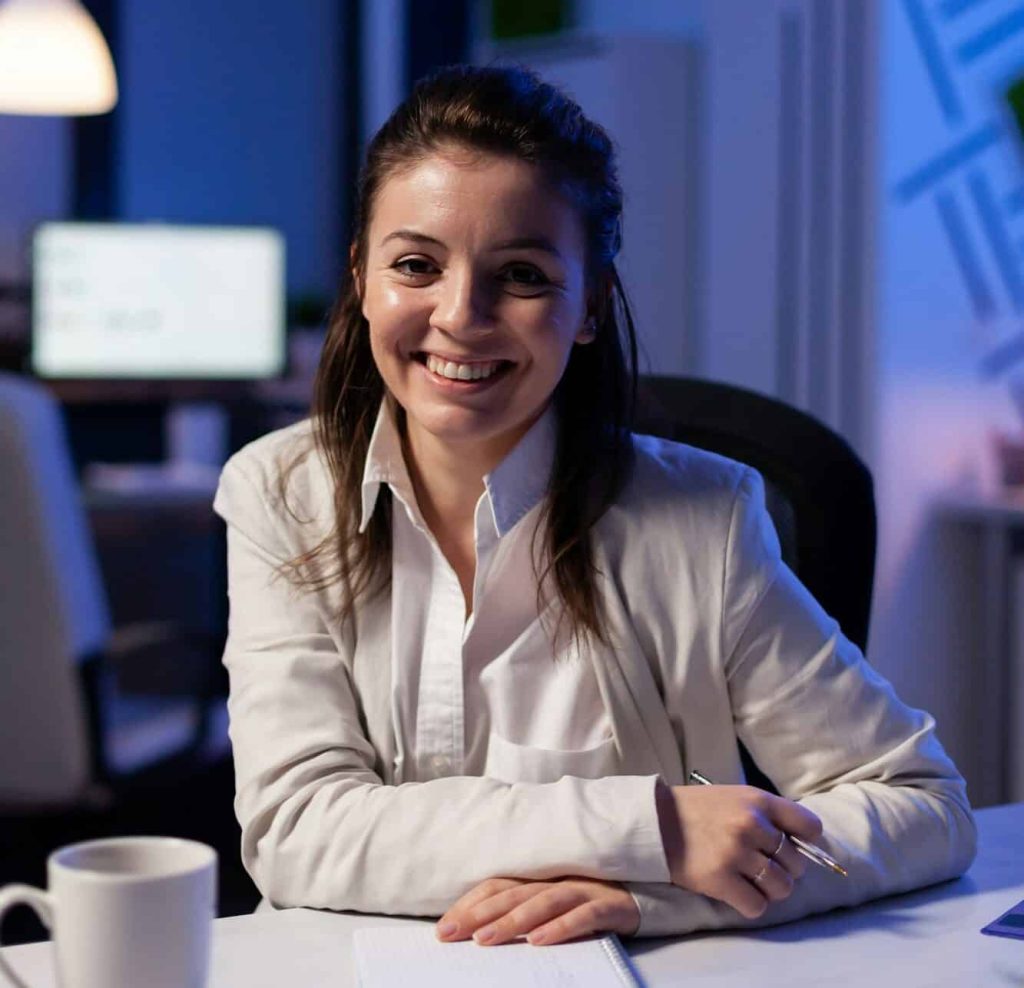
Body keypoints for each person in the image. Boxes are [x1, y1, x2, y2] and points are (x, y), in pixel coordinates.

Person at [213, 64, 976, 945]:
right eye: (416, 264)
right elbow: (298, 830)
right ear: (361, 278)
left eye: (524, 274)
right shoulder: (278, 493)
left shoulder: (707, 521)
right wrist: (652, 828)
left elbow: (923, 805)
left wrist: (663, 896)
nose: (462, 315)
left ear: (589, 306)